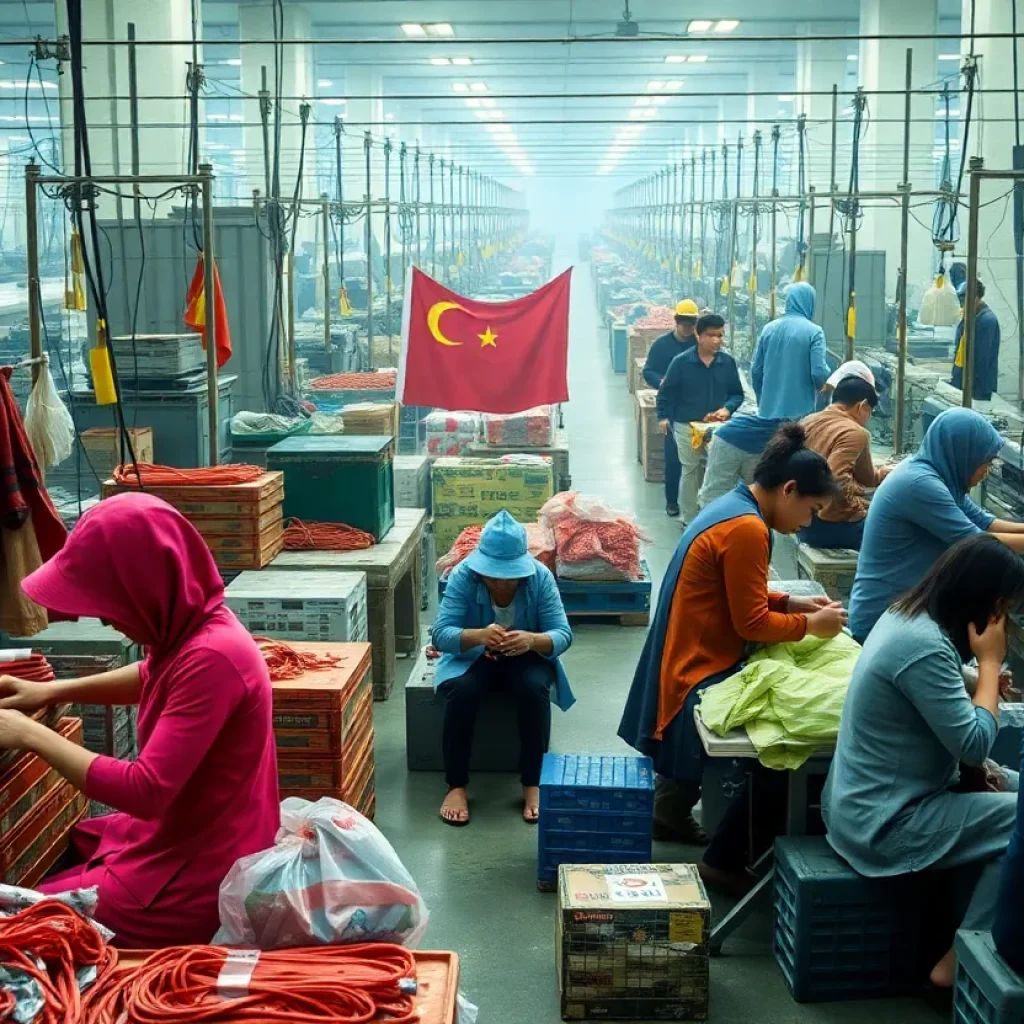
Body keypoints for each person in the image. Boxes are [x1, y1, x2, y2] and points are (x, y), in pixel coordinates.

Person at [0, 493, 279, 948]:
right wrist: (51, 690)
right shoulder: (194, 628)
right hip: (199, 832)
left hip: (199, 875)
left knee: (22, 922)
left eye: (109, 609)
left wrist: (30, 733)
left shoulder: (212, 657)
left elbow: (145, 791)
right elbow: (152, 674)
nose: (107, 623)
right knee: (84, 841)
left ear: (144, 588)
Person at [618, 424, 847, 864]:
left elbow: (736, 592)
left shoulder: (732, 506)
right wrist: (811, 626)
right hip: (697, 662)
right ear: (790, 489)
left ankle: (670, 809)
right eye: (811, 509)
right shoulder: (748, 530)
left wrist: (793, 601)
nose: (807, 523)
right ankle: (733, 850)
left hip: (686, 645)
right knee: (782, 734)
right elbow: (752, 623)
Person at [823, 534, 1024, 989]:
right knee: (1021, 819)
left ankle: (972, 923)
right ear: (985, 605)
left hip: (863, 805)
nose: (1007, 620)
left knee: (1016, 784)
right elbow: (973, 746)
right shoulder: (925, 646)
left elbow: (931, 679)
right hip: (885, 825)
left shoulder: (905, 615)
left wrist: (973, 679)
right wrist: (990, 666)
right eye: (1005, 609)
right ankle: (961, 958)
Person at [431, 510, 573, 827]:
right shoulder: (462, 577)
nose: (501, 581)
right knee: (462, 692)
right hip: (473, 657)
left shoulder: (540, 578)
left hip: (526, 656)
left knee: (534, 688)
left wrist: (533, 641)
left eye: (509, 575)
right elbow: (441, 634)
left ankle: (532, 782)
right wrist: (476, 636)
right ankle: (456, 785)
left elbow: (563, 634)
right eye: (494, 575)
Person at [848, 407, 1024, 643]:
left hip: (908, 614)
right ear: (964, 453)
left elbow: (985, 522)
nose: (986, 471)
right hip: (883, 621)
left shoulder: (940, 475)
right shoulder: (919, 484)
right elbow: (976, 542)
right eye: (986, 462)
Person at [699, 282, 832, 506]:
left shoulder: (769, 328)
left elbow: (756, 370)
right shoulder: (813, 331)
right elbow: (819, 372)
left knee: (768, 466)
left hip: (768, 410)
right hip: (800, 414)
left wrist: (764, 399)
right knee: (794, 466)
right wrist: (826, 385)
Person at [656, 313, 744, 525]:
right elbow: (665, 393)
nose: (717, 340)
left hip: (716, 427)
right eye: (711, 335)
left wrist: (727, 409)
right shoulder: (681, 363)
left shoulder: (727, 363)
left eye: (720, 335)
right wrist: (663, 417)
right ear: (698, 335)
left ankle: (714, 516)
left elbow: (737, 394)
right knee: (691, 469)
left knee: (717, 471)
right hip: (686, 424)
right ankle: (690, 519)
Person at [798, 375, 891, 551]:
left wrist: (879, 476)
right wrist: (857, 512)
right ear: (862, 406)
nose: (867, 419)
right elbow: (837, 479)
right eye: (869, 412)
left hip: (800, 519)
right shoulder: (855, 432)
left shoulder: (807, 421)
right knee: (899, 528)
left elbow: (865, 478)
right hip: (825, 527)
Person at [643, 299, 700, 517]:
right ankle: (672, 501)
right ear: (676, 321)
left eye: (691, 322)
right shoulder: (662, 345)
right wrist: (662, 381)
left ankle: (695, 499)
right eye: (683, 322)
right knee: (673, 456)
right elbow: (648, 371)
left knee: (697, 457)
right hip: (672, 407)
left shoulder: (698, 344)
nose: (687, 327)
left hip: (698, 405)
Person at [951, 279, 1001, 402]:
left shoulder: (986, 320)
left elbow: (982, 358)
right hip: (966, 383)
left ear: (976, 298)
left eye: (964, 299)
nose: (962, 304)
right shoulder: (972, 315)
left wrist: (970, 386)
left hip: (978, 387)